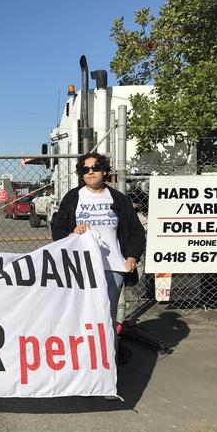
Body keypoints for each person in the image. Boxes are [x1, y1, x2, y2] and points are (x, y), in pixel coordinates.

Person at [51, 153, 145, 377]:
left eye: (95, 167)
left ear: (104, 170)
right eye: (85, 169)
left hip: (113, 268)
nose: (90, 172)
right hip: (81, 269)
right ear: (81, 174)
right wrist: (72, 232)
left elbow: (135, 231)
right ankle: (82, 371)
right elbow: (57, 229)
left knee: (106, 319)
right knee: (82, 318)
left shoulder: (118, 199)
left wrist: (131, 257)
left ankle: (106, 372)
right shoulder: (73, 198)